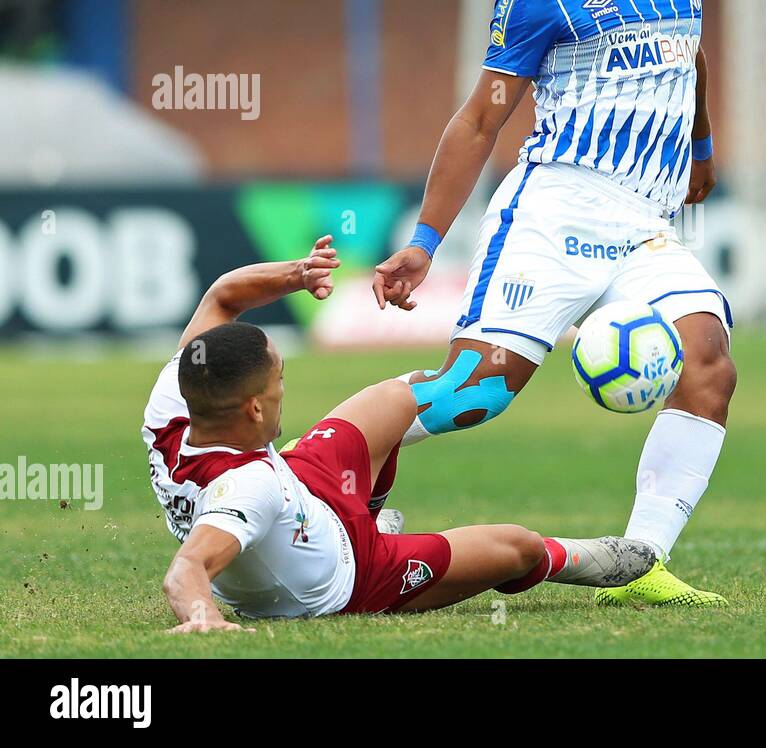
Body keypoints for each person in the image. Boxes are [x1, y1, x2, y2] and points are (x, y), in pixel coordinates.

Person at [371, 0, 736, 606]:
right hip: (555, 209)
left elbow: (692, 49)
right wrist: (425, 242)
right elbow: (480, 120)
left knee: (707, 358)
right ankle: (312, 461)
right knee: (475, 393)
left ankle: (640, 564)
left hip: (643, 222)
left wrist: (702, 147)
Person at [145, 237, 654, 631]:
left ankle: (366, 510)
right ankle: (585, 560)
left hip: (303, 488)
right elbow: (185, 570)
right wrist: (203, 619)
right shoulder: (244, 489)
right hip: (352, 574)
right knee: (516, 547)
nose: (285, 389)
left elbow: (222, 296)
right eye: (280, 380)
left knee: (394, 399)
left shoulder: (175, 400)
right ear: (255, 407)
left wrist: (297, 274)